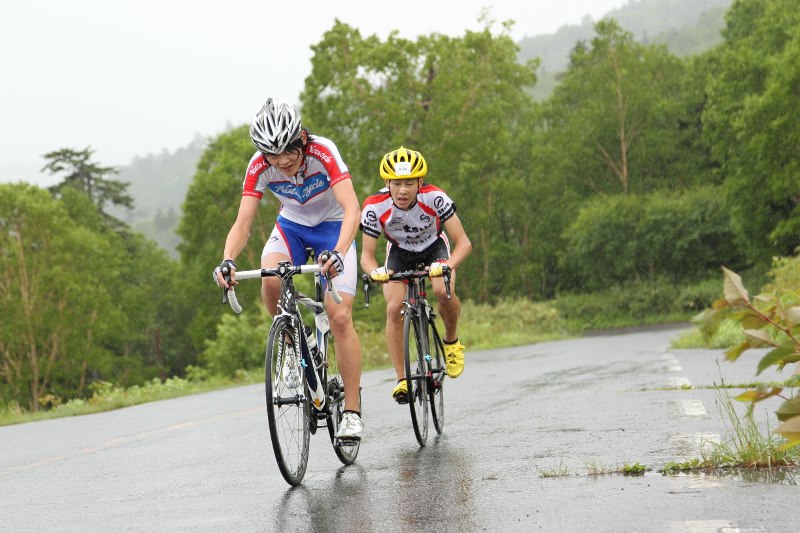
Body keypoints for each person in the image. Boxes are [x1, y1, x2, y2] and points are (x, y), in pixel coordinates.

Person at [213, 97, 363, 440]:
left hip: (333, 227)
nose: (282, 161)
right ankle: (295, 343)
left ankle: (352, 412)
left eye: (288, 152)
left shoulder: (323, 152)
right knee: (270, 280)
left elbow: (352, 208)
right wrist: (228, 259)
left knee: (340, 317)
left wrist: (339, 253)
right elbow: (243, 223)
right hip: (292, 226)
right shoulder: (258, 166)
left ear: (301, 139)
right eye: (272, 155)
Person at [359, 146, 472, 404]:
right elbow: (366, 256)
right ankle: (403, 380)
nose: (402, 190)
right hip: (399, 252)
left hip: (434, 247)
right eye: (397, 183)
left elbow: (464, 243)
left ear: (420, 182)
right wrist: (375, 271)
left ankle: (451, 341)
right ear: (387, 183)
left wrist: (448, 265)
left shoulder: (435, 198)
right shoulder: (374, 207)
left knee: (443, 291)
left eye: (409, 183)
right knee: (393, 309)